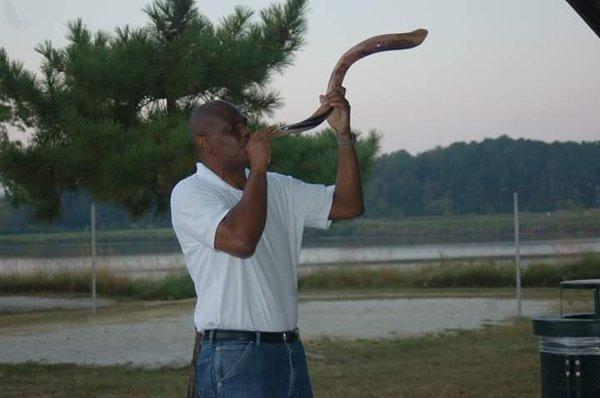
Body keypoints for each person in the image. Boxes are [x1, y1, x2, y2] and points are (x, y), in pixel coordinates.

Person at [170, 87, 364, 398]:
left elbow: (349, 204)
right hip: (234, 354)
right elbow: (242, 241)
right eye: (233, 129)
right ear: (205, 143)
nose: (246, 131)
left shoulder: (279, 187)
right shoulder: (190, 193)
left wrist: (343, 137)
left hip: (288, 350)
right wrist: (258, 169)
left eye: (244, 122)